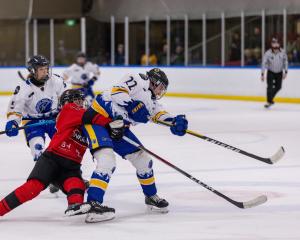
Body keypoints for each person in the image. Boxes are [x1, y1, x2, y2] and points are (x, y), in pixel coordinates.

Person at [78, 68, 188, 223]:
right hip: (98, 120)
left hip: (119, 128)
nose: (161, 91)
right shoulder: (138, 79)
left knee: (143, 160)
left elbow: (159, 115)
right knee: (107, 161)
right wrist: (131, 105)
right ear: (153, 81)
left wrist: (175, 122)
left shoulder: (151, 102)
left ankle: (151, 196)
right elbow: (117, 92)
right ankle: (93, 203)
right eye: (161, 87)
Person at [0, 89, 122, 220]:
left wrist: (111, 130)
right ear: (67, 102)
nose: (80, 102)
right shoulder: (70, 109)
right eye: (77, 99)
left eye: (81, 99)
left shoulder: (83, 121)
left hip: (71, 166)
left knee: (77, 184)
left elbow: (94, 125)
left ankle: (74, 206)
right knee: (32, 188)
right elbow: (90, 116)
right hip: (52, 159)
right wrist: (109, 123)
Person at [261, 38, 288, 108]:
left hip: (279, 72)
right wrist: (262, 74)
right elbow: (264, 63)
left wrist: (286, 71)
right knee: (269, 87)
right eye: (274, 43)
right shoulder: (267, 53)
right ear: (271, 44)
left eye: (277, 43)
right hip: (271, 72)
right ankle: (269, 101)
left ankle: (270, 99)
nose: (275, 44)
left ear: (279, 44)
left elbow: (285, 62)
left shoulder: (283, 52)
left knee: (278, 87)